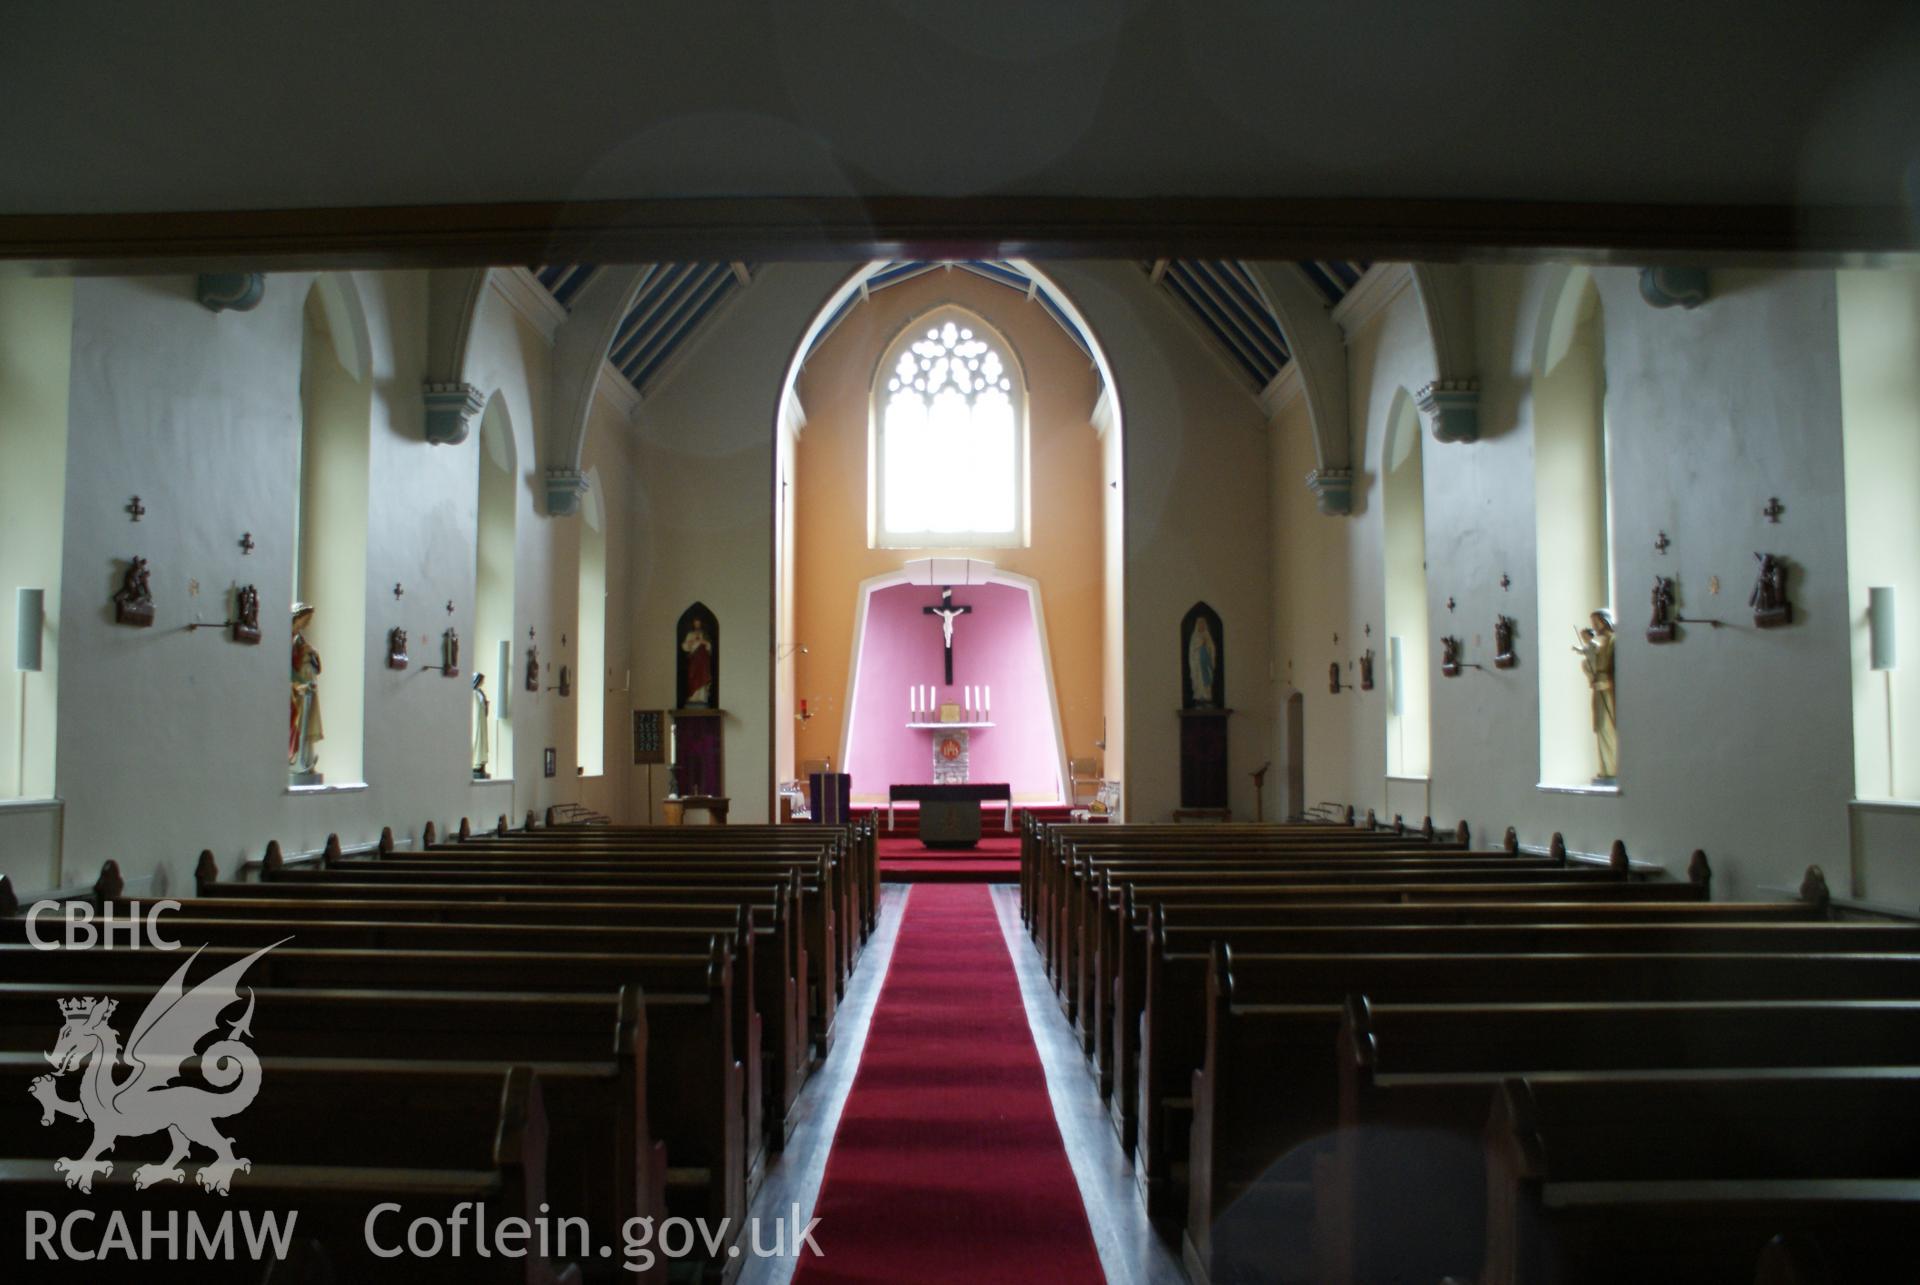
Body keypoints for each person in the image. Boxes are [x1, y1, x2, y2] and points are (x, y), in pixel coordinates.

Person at [1571, 610, 1617, 780]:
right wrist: (1591, 674)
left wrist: (1607, 682)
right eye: (1592, 623)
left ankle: (1613, 769)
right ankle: (1606, 770)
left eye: (1596, 622)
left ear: (1605, 622)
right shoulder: (1598, 643)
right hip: (1599, 690)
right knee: (1601, 728)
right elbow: (1591, 662)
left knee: (1609, 727)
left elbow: (1618, 669)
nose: (1594, 626)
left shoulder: (1613, 641)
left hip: (1610, 692)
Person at [290, 603, 324, 776]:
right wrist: (296, 683)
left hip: (307, 687)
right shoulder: (288, 638)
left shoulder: (300, 639)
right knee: (297, 724)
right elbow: (288, 666)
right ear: (298, 617)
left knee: (306, 723)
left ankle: (305, 760)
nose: (308, 622)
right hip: (296, 689)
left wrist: (313, 653)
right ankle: (296, 760)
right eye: (307, 618)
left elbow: (317, 666)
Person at [681, 617, 714, 706]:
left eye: (698, 623)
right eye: (696, 623)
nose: (697, 625)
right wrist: (691, 642)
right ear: (693, 624)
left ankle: (702, 697)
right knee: (693, 675)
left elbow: (709, 646)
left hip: (703, 660)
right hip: (694, 659)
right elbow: (685, 647)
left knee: (703, 675)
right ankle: (693, 697)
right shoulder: (690, 634)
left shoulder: (704, 634)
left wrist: (703, 642)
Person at [1187, 616, 1218, 706]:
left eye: (1202, 624)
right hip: (1197, 662)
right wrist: (1200, 644)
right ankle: (1199, 696)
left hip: (1205, 661)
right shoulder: (1195, 636)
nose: (1201, 626)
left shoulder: (1207, 635)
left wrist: (1207, 646)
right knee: (1199, 679)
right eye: (1200, 624)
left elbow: (1212, 648)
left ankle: (1207, 696)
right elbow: (1192, 649)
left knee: (1206, 679)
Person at [471, 672, 490, 779]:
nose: (483, 682)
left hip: (482, 720)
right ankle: (475, 764)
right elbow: (475, 707)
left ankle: (481, 764)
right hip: (477, 721)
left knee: (482, 742)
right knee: (477, 740)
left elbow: (483, 705)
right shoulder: (473, 693)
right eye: (481, 679)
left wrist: (486, 706)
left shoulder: (480, 692)